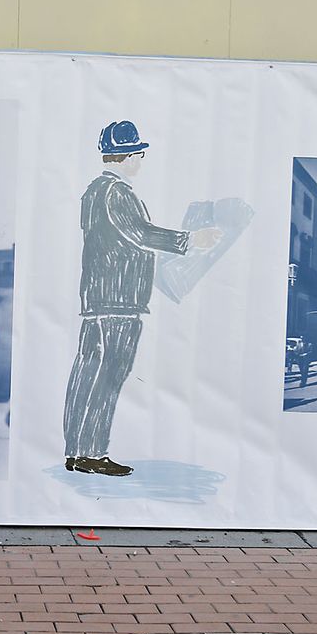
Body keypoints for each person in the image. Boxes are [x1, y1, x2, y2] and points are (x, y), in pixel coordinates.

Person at [61, 120, 221, 476]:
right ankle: (93, 454)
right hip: (119, 300)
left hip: (98, 301)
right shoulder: (117, 192)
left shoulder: (94, 191)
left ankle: (76, 452)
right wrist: (190, 240)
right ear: (127, 156)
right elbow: (139, 233)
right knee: (110, 374)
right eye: (138, 154)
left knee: (87, 372)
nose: (141, 161)